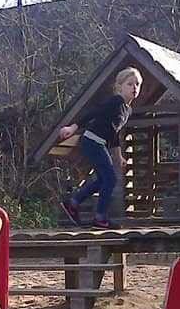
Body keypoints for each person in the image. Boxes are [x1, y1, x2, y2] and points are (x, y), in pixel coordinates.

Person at [58, 67, 143, 229]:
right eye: (130, 84)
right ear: (119, 86)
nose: (134, 88)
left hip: (100, 143)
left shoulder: (127, 110)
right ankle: (99, 217)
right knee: (110, 179)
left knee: (104, 179)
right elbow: (93, 113)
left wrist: (119, 157)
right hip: (91, 141)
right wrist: (73, 128)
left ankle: (73, 204)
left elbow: (114, 135)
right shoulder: (115, 101)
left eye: (137, 84)